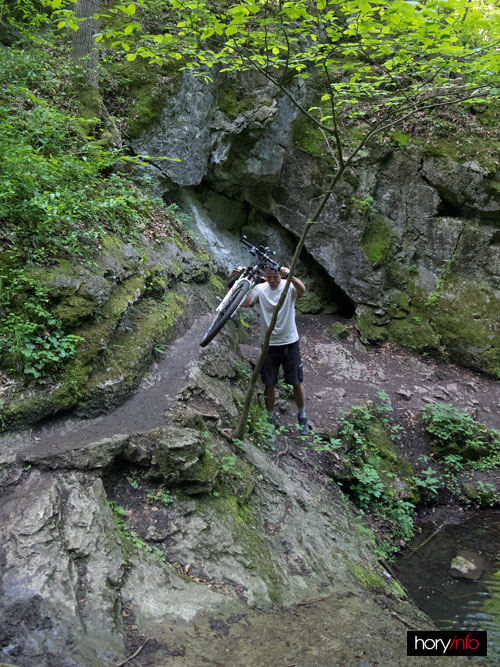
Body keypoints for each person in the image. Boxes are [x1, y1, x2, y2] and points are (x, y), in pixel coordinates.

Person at [243, 265, 310, 436]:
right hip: (269, 344)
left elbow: (303, 290)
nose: (272, 280)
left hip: (290, 342)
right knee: (269, 383)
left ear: (280, 276)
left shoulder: (288, 286)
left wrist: (291, 275)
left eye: (276, 277)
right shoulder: (260, 289)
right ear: (266, 275)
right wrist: (243, 287)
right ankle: (270, 417)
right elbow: (247, 303)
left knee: (296, 381)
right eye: (269, 277)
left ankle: (302, 416)